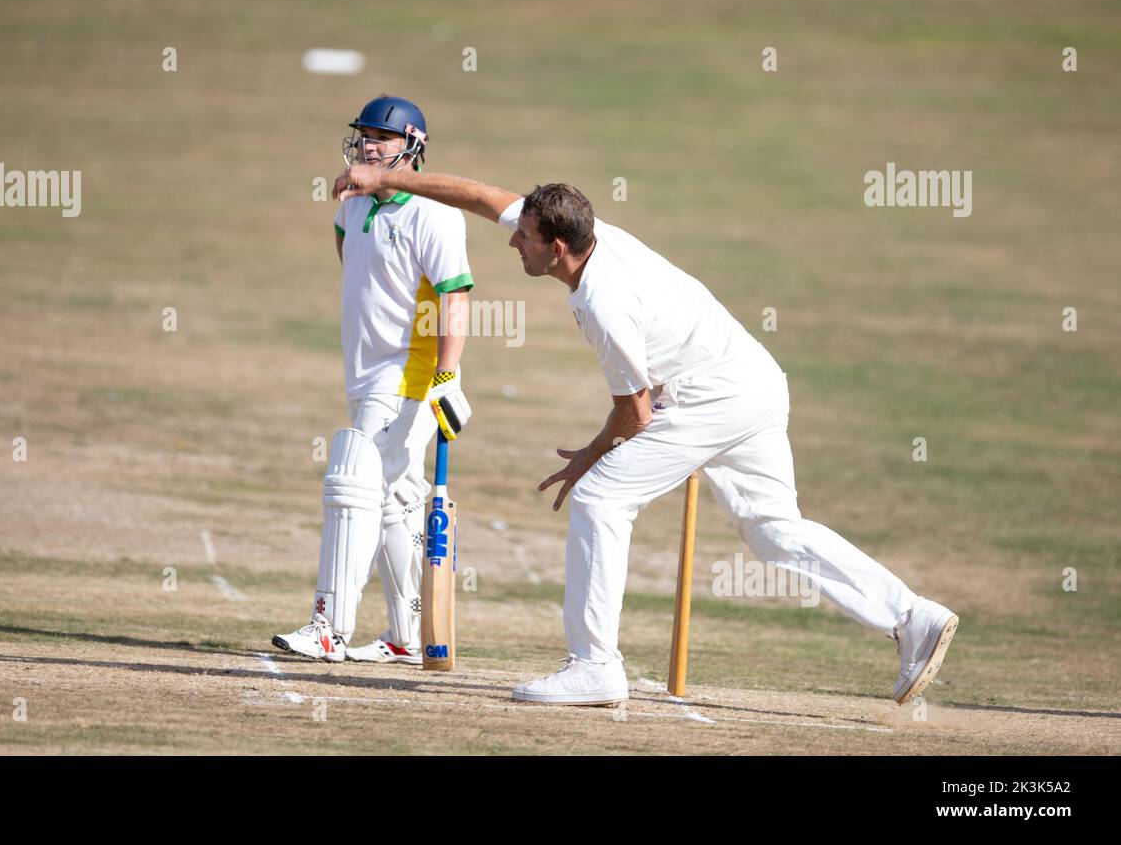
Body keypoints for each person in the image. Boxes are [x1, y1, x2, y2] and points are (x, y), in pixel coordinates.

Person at [333, 163, 959, 705]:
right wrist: (384, 178)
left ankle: (595, 666)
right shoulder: (580, 236)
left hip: (716, 394)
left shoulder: (605, 303)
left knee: (602, 498)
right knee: (773, 531)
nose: (512, 243)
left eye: (524, 237)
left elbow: (636, 414)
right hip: (754, 381)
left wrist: (586, 459)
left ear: (556, 246)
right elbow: (479, 195)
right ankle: (913, 616)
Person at [272, 96, 473, 665]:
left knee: (353, 483)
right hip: (362, 371)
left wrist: (447, 374)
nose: (367, 145)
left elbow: (455, 294)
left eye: (380, 138)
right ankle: (409, 638)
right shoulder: (353, 205)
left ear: (411, 145)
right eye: (363, 135)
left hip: (406, 374)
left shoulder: (436, 215)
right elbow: (348, 251)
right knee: (394, 504)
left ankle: (329, 626)